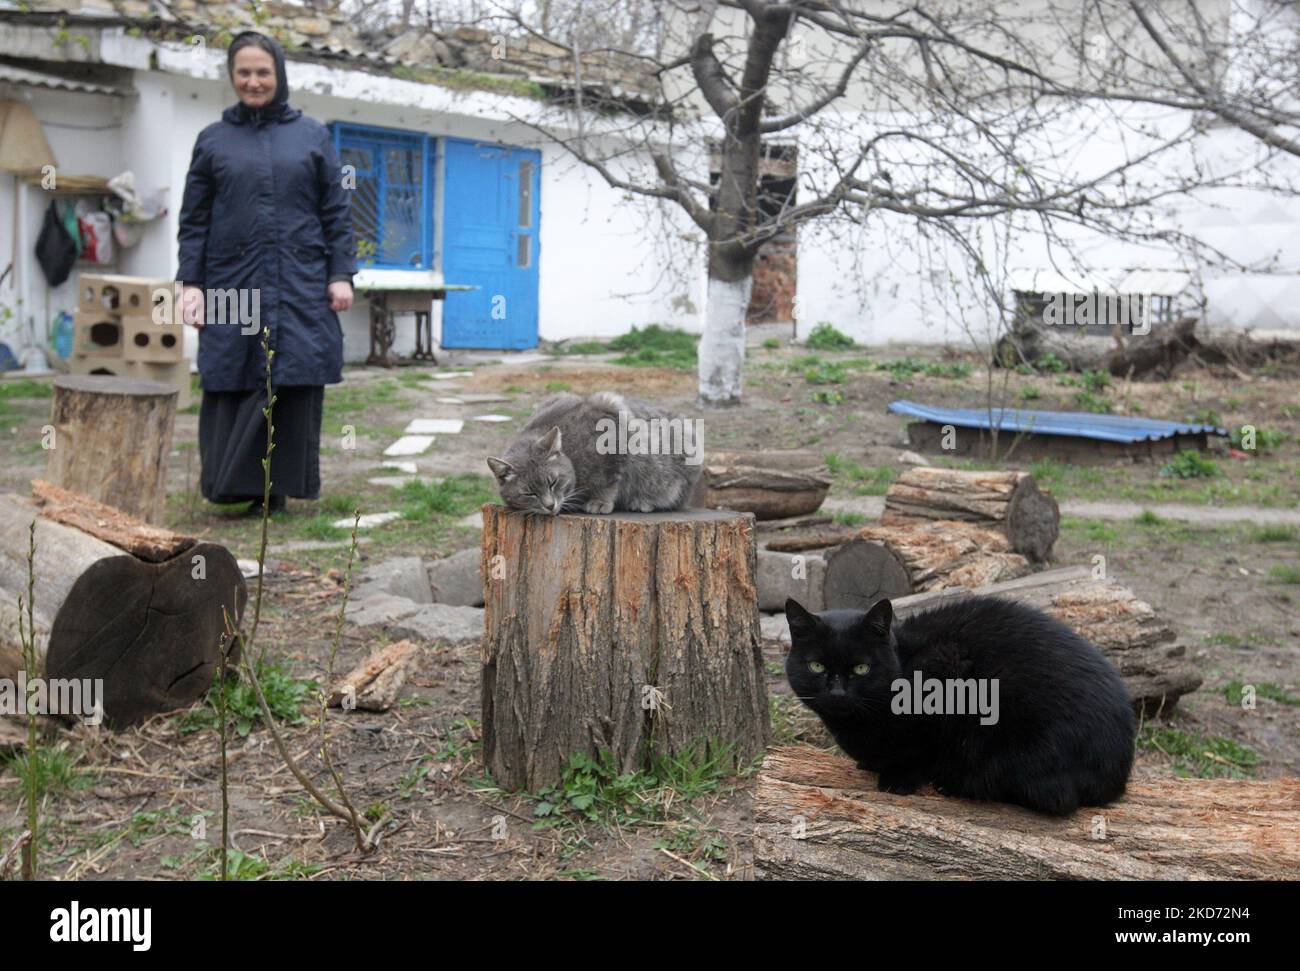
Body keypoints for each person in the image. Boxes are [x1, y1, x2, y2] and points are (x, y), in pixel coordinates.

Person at [177, 30, 356, 514]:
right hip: (231, 282)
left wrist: (340, 273)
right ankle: (234, 486)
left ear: (279, 74)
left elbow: (336, 212)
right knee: (233, 373)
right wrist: (190, 285)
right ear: (232, 75)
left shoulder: (312, 136)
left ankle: (276, 492)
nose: (253, 81)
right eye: (244, 72)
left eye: (262, 72)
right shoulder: (213, 140)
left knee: (293, 375)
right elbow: (194, 221)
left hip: (299, 280)